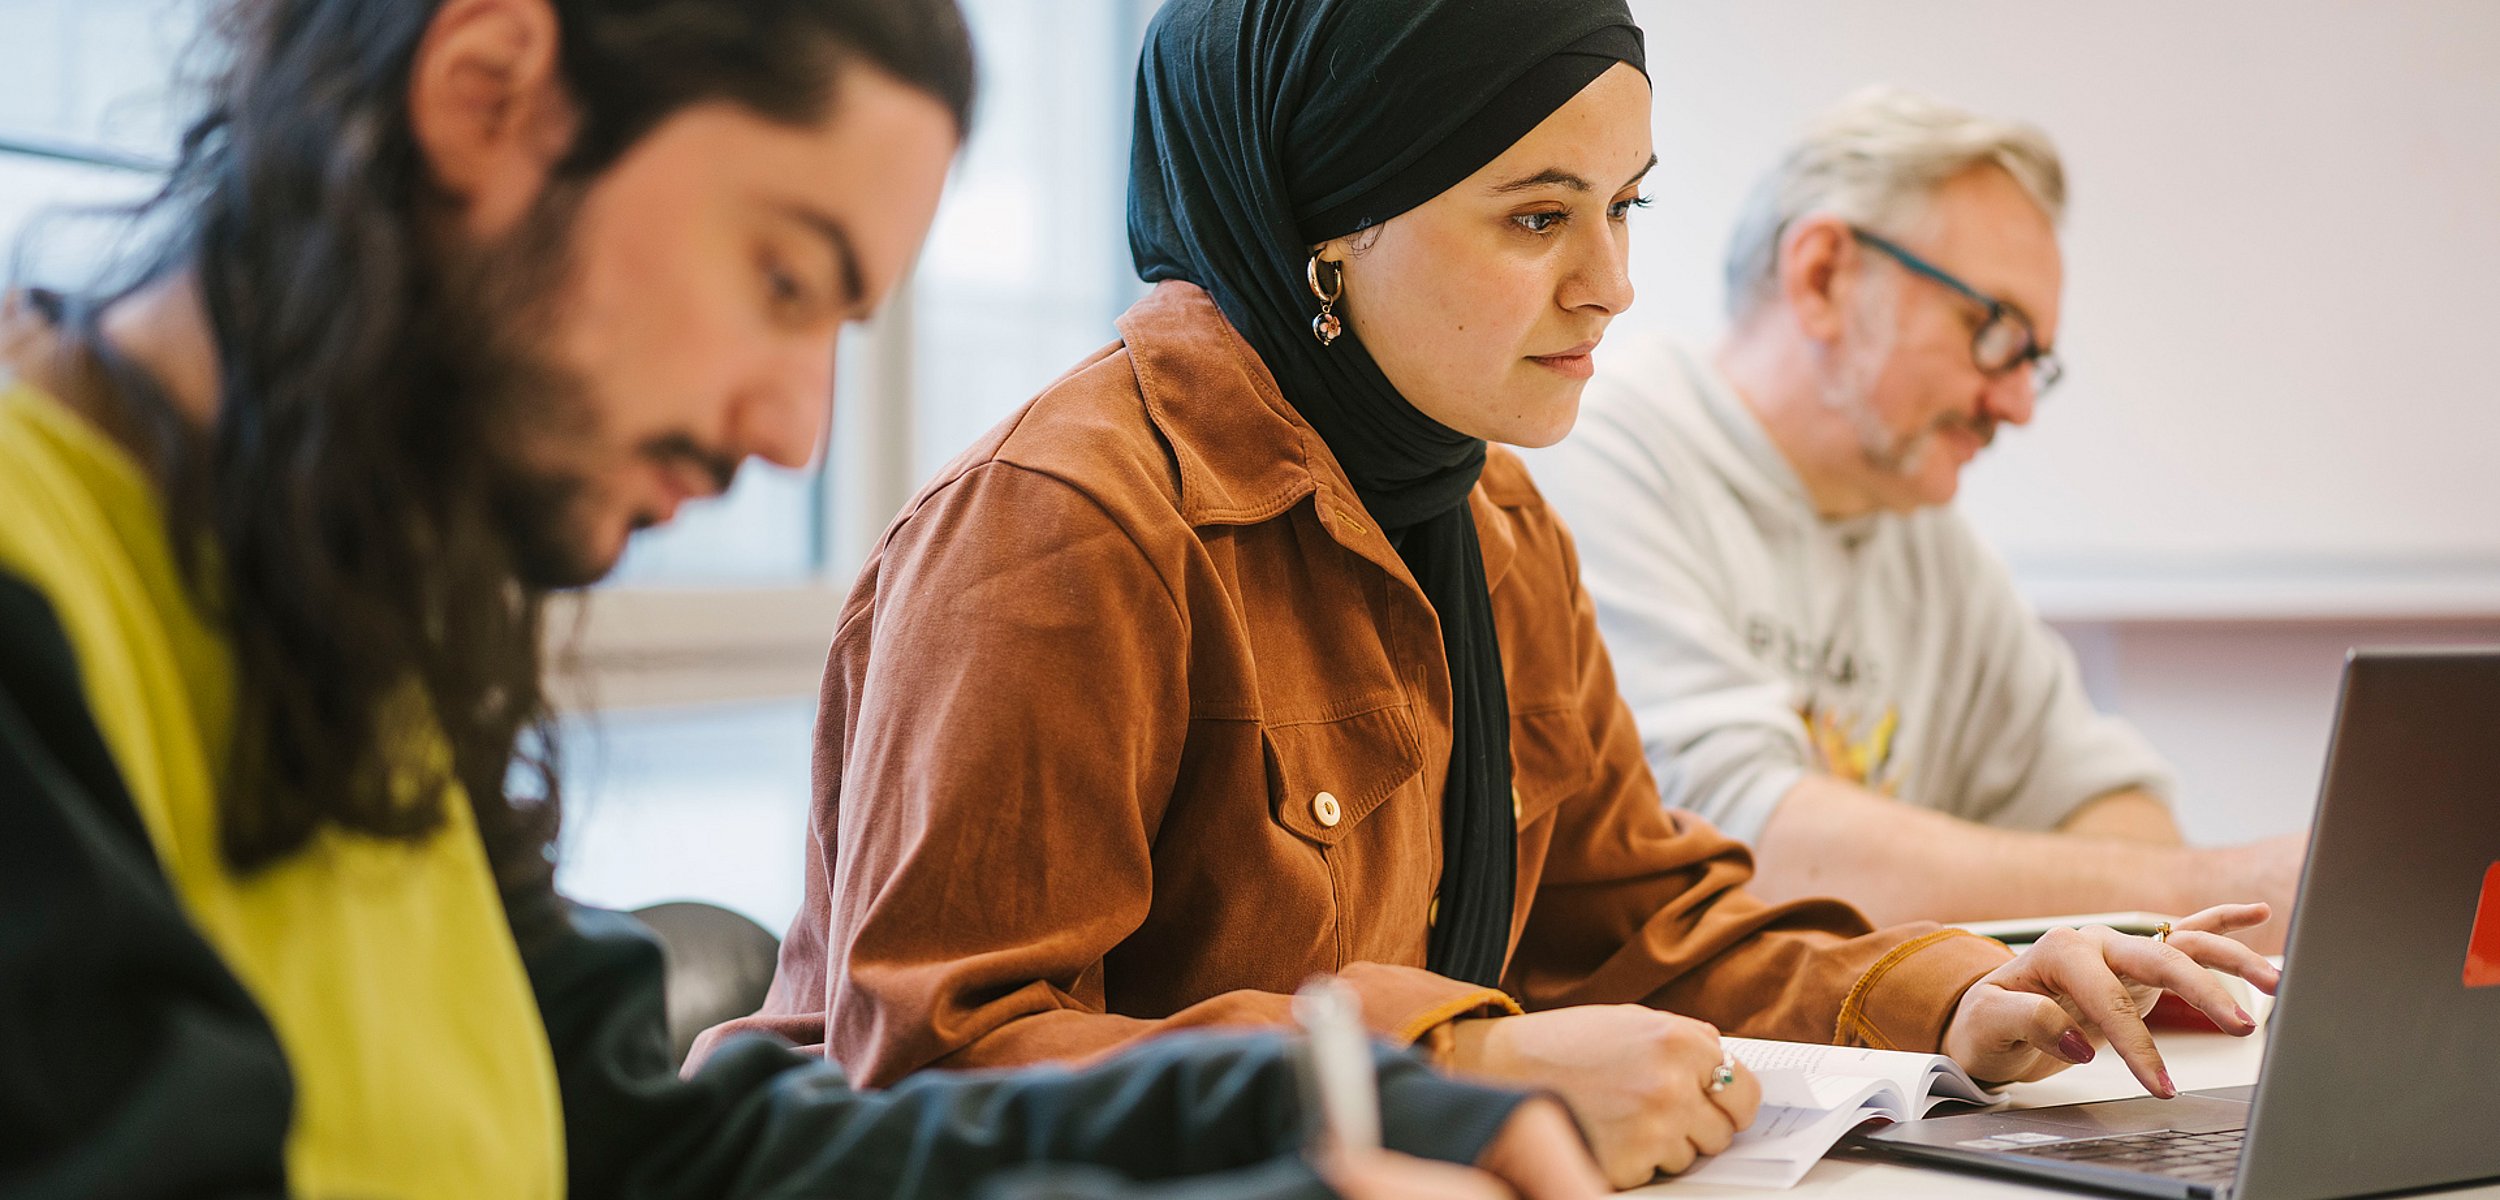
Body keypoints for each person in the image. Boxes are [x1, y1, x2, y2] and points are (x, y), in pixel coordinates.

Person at [0, 0, 1611, 1196]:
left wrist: (1300, 1126)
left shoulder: (322, 620)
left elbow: (658, 1149)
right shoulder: (38, 608)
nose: (794, 431)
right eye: (782, 279)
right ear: (486, 96)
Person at [697, 1, 2281, 1189]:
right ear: (1321, 236)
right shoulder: (1070, 526)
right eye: (1537, 217)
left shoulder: (1492, 515)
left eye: (1624, 206)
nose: (1612, 283)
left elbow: (1636, 917)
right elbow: (937, 1070)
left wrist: (1958, 994)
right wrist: (1456, 1063)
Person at [1518, 88, 2305, 948]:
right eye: (1993, 330)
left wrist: (2156, 902)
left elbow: (2107, 805)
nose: (2016, 403)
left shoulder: (1921, 533)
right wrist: (2221, 888)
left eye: (2032, 362)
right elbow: (1737, 855)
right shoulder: (1598, 454)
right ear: (1823, 276)